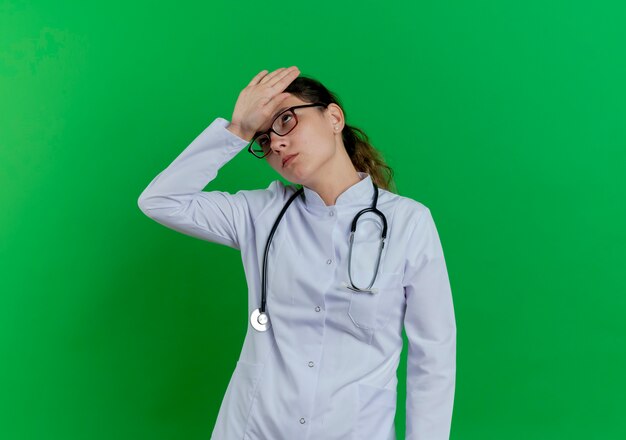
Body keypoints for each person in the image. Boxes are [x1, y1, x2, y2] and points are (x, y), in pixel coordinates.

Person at [137, 66, 456, 440]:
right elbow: (159, 201)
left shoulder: (409, 223)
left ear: (334, 117)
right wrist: (238, 129)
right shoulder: (259, 214)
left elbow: (433, 358)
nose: (277, 144)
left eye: (286, 120)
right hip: (253, 429)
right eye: (264, 139)